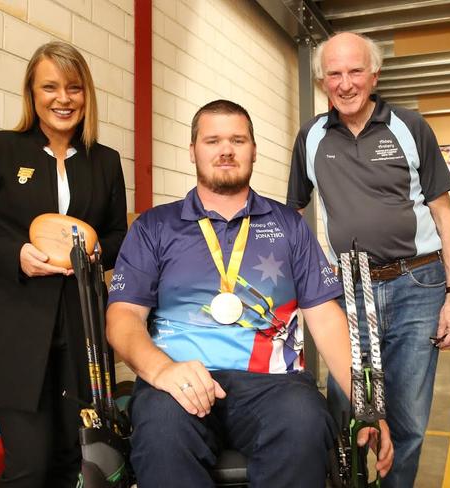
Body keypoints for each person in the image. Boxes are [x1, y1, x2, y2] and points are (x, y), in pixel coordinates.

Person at [106, 99, 392, 488]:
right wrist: (161, 371)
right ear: (192, 151)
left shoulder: (290, 225)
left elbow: (325, 318)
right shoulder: (154, 227)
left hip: (274, 385)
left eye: (237, 140)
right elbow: (123, 318)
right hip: (179, 380)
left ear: (254, 150)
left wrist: (368, 407)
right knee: (161, 433)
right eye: (213, 140)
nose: (225, 150)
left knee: (306, 421)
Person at [0, 41, 127, 487]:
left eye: (74, 88)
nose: (63, 99)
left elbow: (120, 236)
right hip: (15, 327)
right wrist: (15, 256)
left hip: (82, 327)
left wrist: (94, 252)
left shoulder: (106, 161)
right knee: (29, 467)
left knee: (76, 462)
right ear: (32, 92)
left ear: (87, 95)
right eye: (50, 87)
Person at [286, 32, 450, 488]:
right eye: (334, 74)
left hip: (416, 287)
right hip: (345, 290)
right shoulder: (310, 136)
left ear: (374, 74)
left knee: (407, 420)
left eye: (355, 71)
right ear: (323, 81)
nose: (345, 84)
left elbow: (445, 216)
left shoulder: (410, 127)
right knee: (346, 413)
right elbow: (292, 216)